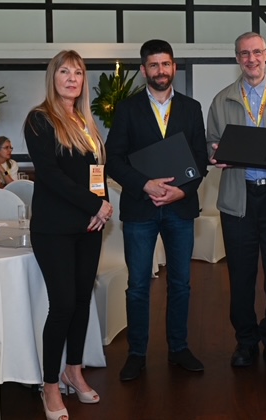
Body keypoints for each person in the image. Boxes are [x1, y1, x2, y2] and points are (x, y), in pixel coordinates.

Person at [106, 39, 209, 381]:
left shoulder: (192, 108)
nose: (161, 71)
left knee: (181, 284)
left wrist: (182, 191)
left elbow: (200, 160)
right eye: (154, 65)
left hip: (180, 208)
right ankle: (136, 354)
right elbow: (114, 160)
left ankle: (178, 348)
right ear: (143, 70)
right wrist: (145, 185)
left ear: (173, 67)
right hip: (141, 209)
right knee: (137, 285)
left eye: (166, 64)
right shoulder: (127, 109)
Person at [207, 32, 266, 370]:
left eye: (257, 52)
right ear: (237, 59)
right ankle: (246, 341)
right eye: (244, 54)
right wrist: (215, 154)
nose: (251, 59)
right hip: (238, 199)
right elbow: (210, 143)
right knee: (241, 275)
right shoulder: (222, 100)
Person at [24, 50, 113, 420]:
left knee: (80, 302)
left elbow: (96, 173)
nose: (72, 78)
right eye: (65, 71)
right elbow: (51, 175)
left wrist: (103, 204)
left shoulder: (86, 122)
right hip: (54, 229)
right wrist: (94, 205)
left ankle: (73, 371)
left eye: (78, 72)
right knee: (62, 305)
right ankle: (49, 385)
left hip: (88, 228)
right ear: (53, 77)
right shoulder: (40, 119)